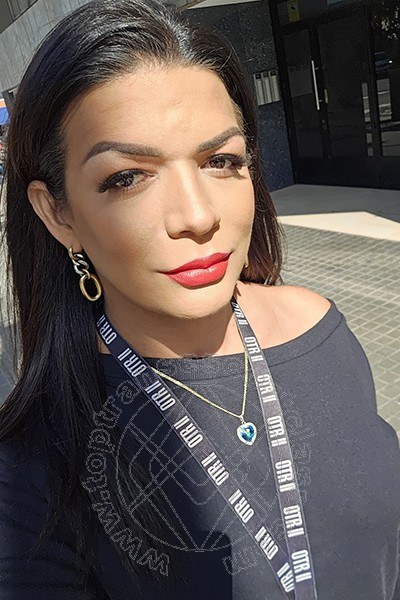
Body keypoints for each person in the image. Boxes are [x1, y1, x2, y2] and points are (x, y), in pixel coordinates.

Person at [0, 0, 399, 598]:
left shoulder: (318, 326)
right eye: (127, 177)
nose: (196, 215)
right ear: (58, 214)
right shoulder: (34, 468)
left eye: (221, 161)